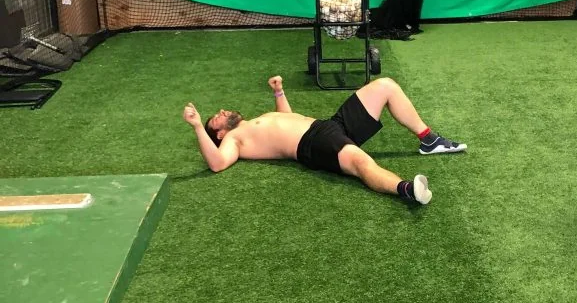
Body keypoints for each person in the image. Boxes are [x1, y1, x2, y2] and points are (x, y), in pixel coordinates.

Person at [182, 76, 466, 205]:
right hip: (313, 145)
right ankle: (405, 189)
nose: (220, 113)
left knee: (385, 86)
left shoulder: (251, 124)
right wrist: (197, 126)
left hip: (327, 126)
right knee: (359, 161)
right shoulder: (233, 140)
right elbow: (218, 163)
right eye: (215, 119)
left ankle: (429, 140)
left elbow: (288, 121)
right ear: (218, 134)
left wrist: (279, 93)